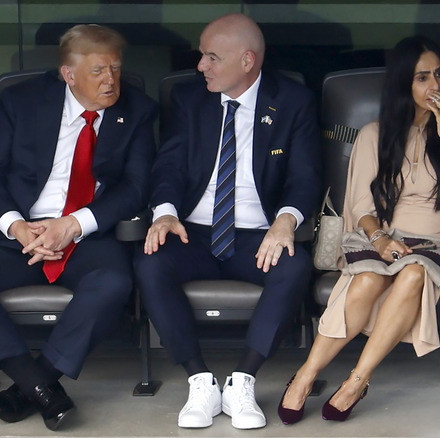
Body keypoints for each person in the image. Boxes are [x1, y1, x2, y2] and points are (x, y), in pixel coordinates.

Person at [0, 24, 157, 431]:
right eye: (98, 71)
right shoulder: (24, 103)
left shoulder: (137, 111)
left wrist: (74, 224)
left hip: (87, 236)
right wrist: (16, 226)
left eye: (116, 69)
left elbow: (136, 188)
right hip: (24, 235)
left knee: (114, 281)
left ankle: (32, 384)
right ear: (68, 74)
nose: (111, 80)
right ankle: (37, 383)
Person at [278, 36, 440, 424]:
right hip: (378, 236)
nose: (434, 86)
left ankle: (357, 381)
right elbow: (361, 207)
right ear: (404, 83)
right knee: (369, 279)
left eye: (439, 75)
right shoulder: (375, 134)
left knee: (413, 273)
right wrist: (382, 240)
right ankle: (306, 375)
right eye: (422, 78)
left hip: (434, 245)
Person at [133, 13, 321, 430]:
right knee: (150, 261)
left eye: (212, 57)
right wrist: (164, 215)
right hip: (194, 231)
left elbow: (306, 177)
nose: (201, 66)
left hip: (258, 233)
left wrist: (286, 220)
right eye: (202, 56)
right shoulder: (189, 98)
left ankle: (243, 380)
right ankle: (199, 379)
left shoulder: (293, 102)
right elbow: (169, 166)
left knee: (294, 265)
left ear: (248, 60)